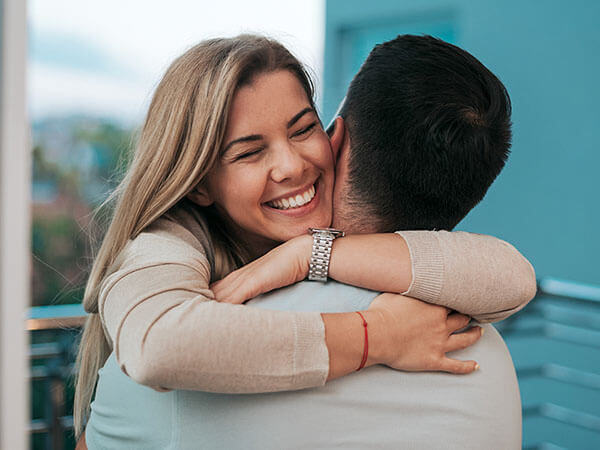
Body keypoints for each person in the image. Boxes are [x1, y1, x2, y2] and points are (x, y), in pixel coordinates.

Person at [77, 35, 535, 449]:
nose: (292, 166)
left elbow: (512, 278)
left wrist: (312, 254)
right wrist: (378, 336)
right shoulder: (167, 243)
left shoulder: (318, 247)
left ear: (334, 135)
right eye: (250, 152)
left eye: (302, 129)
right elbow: (161, 346)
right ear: (199, 183)